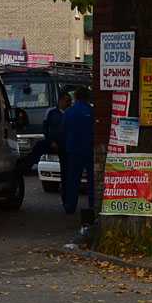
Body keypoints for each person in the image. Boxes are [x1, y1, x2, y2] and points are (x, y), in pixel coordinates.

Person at [61, 88, 95, 220]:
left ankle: (70, 206)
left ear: (75, 97)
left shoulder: (69, 112)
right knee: (91, 179)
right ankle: (92, 205)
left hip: (73, 150)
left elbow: (63, 129)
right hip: (89, 149)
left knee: (73, 179)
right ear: (87, 97)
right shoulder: (92, 111)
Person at [16, 92, 71, 172]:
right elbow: (45, 129)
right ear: (60, 101)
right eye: (67, 101)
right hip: (53, 142)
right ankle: (24, 165)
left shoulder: (71, 113)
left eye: (69, 101)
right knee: (39, 146)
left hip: (65, 143)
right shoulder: (52, 113)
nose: (69, 103)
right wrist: (51, 141)